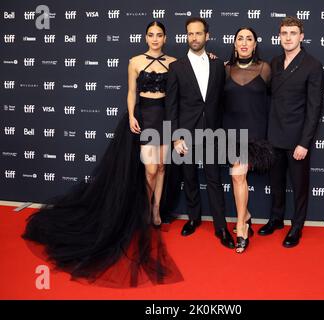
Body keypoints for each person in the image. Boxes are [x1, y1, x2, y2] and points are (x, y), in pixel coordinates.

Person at [22, 21, 183, 287]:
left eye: (159, 35)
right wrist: (132, 114)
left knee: (163, 166)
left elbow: (186, 81)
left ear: (165, 38)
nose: (155, 39)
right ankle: (143, 210)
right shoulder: (134, 61)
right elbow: (131, 92)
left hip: (166, 119)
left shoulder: (175, 62)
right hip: (144, 117)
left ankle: (155, 210)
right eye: (151, 35)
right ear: (146, 37)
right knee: (150, 169)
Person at [165, 17, 235, 249]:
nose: (194, 38)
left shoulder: (218, 65)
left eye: (198, 33)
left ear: (207, 36)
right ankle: (194, 219)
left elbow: (221, 101)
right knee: (190, 178)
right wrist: (174, 137)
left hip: (213, 133)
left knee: (215, 179)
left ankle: (220, 227)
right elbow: (171, 106)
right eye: (190, 34)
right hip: (185, 133)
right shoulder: (176, 67)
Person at [258, 16, 324, 248]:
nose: (288, 37)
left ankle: (296, 227)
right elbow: (258, 87)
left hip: (297, 139)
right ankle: (276, 219)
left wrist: (304, 143)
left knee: (299, 188)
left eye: (292, 33)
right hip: (274, 136)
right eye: (284, 33)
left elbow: (315, 108)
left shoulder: (312, 65)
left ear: (301, 37)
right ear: (279, 36)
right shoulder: (274, 63)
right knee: (276, 184)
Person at [223, 27, 273, 253]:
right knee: (237, 177)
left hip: (254, 134)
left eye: (249, 39)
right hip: (231, 133)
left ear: (255, 44)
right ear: (234, 44)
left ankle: (242, 224)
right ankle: (246, 217)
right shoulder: (224, 69)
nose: (244, 43)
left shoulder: (265, 69)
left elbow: (275, 100)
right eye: (240, 39)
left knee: (238, 175)